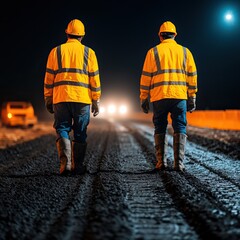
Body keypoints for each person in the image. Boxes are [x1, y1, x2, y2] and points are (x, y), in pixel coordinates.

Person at [44, 19, 101, 175]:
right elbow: (94, 79)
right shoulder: (89, 53)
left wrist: (48, 98)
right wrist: (95, 99)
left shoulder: (55, 52)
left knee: (62, 128)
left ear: (67, 33)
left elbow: (49, 78)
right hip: (82, 99)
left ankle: (66, 165)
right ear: (82, 36)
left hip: (61, 98)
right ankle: (79, 166)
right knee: (80, 132)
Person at [139, 21, 197, 172]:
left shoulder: (153, 52)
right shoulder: (185, 52)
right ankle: (179, 164)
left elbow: (146, 77)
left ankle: (161, 162)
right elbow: (192, 76)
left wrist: (143, 97)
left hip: (160, 96)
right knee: (180, 127)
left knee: (160, 126)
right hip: (179, 97)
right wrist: (192, 96)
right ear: (175, 35)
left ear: (160, 36)